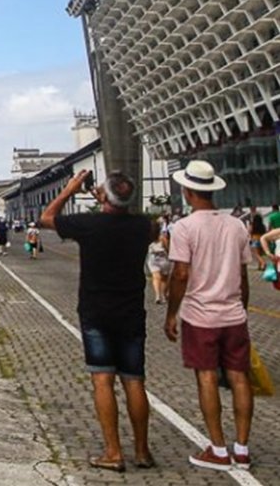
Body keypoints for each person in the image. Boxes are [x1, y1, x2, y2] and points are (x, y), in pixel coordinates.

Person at [40, 169, 153, 472]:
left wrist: (69, 190)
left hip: (96, 313)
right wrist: (107, 198)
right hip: (131, 313)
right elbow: (123, 217)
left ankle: (113, 452)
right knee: (134, 380)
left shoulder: (89, 225)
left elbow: (46, 218)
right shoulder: (144, 226)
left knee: (102, 379)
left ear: (104, 196)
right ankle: (142, 451)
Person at [164, 160, 254, 470]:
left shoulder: (184, 228)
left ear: (187, 192)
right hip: (233, 315)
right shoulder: (236, 225)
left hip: (200, 316)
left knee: (206, 378)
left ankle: (217, 448)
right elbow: (243, 277)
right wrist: (242, 307)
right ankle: (242, 448)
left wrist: (171, 313)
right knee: (240, 378)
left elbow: (180, 274)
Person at [146, 223, 170, 304]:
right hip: (163, 260)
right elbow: (167, 248)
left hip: (152, 259)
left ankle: (157, 295)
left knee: (156, 277)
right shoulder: (162, 238)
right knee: (164, 278)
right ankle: (163, 294)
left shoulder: (148, 238)